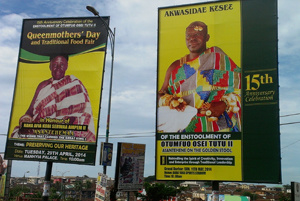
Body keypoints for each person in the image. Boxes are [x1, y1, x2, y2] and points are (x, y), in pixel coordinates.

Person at [158, 21, 241, 132]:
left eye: (197, 34)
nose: (192, 38)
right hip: (184, 131)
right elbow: (160, 94)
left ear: (207, 37)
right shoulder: (175, 66)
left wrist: (225, 103)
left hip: (219, 130)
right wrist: (170, 101)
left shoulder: (218, 58)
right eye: (188, 36)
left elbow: (244, 89)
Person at [11, 54, 96, 142]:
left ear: (67, 66)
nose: (58, 68)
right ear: (50, 66)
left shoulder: (75, 84)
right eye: (55, 65)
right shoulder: (43, 85)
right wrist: (25, 122)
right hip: (39, 129)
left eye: (62, 65)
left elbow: (79, 115)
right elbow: (30, 112)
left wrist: (54, 126)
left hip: (64, 131)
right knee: (18, 135)